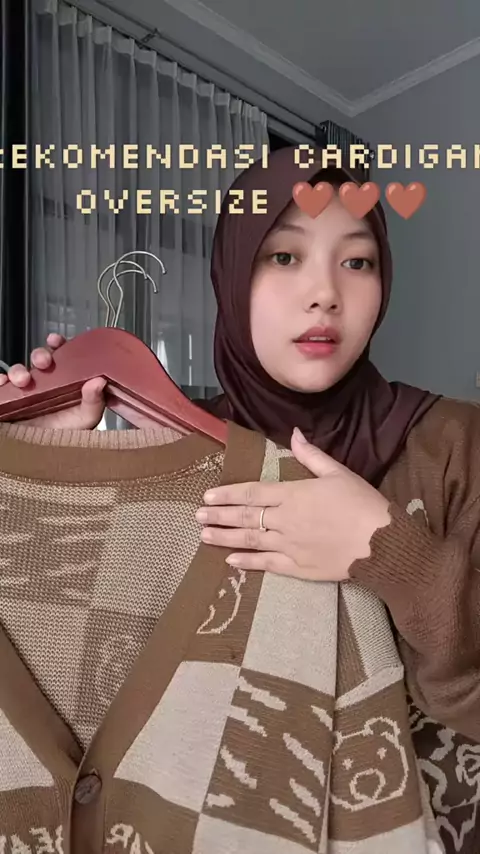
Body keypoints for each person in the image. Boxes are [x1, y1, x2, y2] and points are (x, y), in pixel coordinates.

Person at [2, 146, 480, 851]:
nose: (324, 293)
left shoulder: (456, 446)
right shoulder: (171, 459)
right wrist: (40, 476)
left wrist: (398, 561)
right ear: (230, 274)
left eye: (358, 261)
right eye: (283, 256)